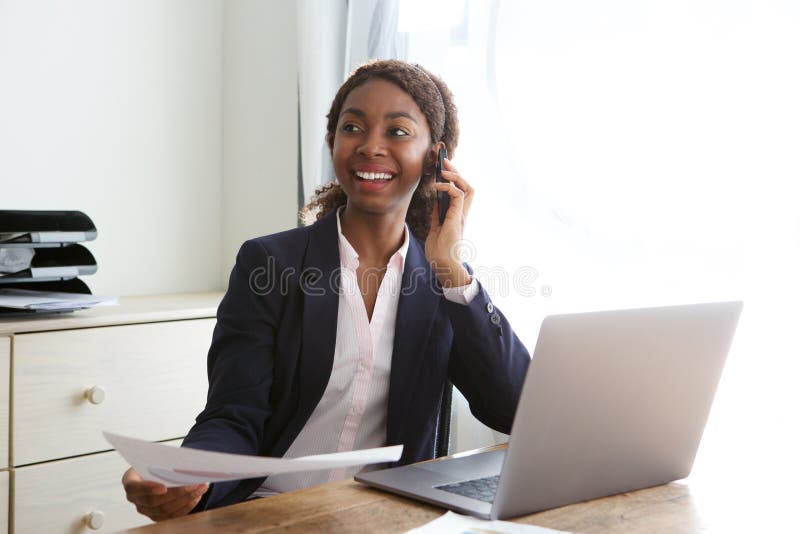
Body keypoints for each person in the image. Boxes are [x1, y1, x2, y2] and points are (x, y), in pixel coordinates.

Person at [122, 59, 531, 521]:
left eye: (397, 132)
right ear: (333, 141)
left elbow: (515, 410)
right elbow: (233, 414)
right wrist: (183, 474)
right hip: (271, 512)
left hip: (388, 517)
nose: (370, 146)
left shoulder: (443, 283)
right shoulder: (269, 265)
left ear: (436, 159)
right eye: (352, 127)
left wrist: (451, 268)